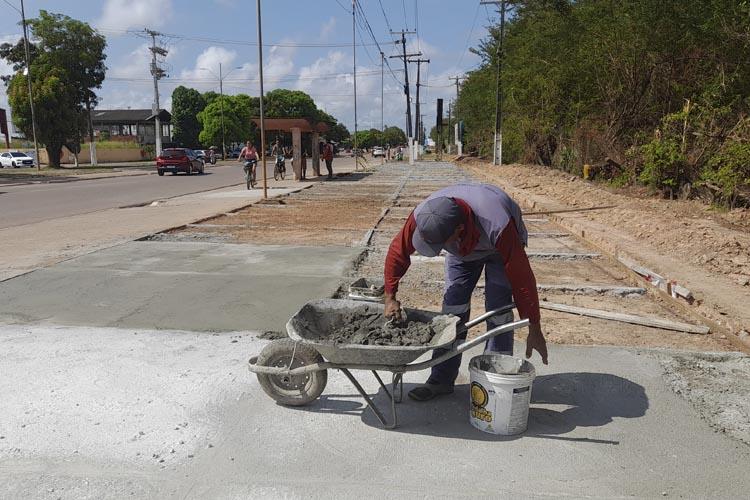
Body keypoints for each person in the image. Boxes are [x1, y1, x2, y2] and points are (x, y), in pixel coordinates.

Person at [384, 183, 548, 401]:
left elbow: (522, 279)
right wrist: (390, 296)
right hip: (461, 252)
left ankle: (494, 382)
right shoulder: (424, 214)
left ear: (458, 229)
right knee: (452, 312)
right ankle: (441, 379)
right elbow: (398, 251)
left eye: (440, 244)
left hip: (499, 249)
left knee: (498, 310)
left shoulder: (498, 224)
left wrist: (534, 326)